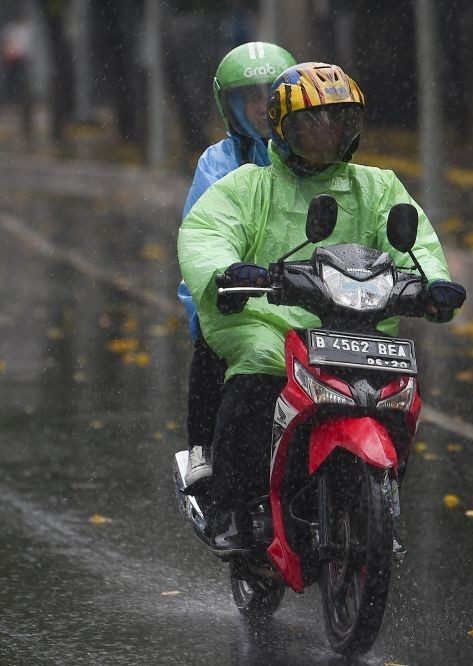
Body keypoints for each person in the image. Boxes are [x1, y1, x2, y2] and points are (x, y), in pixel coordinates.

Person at [178, 62, 461, 554]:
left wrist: (433, 283)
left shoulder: (378, 186)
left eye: (338, 120)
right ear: (283, 128)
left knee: (396, 387)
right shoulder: (250, 184)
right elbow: (207, 232)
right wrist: (229, 270)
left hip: (354, 323)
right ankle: (236, 507)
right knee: (260, 368)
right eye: (312, 121)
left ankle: (380, 500)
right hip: (266, 320)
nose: (326, 131)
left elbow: (417, 243)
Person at [179, 41, 297, 491]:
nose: (262, 107)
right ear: (227, 104)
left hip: (308, 294)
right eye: (249, 96)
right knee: (213, 346)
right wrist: (225, 278)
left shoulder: (316, 159)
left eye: (272, 95)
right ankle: (204, 451)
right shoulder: (218, 164)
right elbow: (204, 233)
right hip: (244, 297)